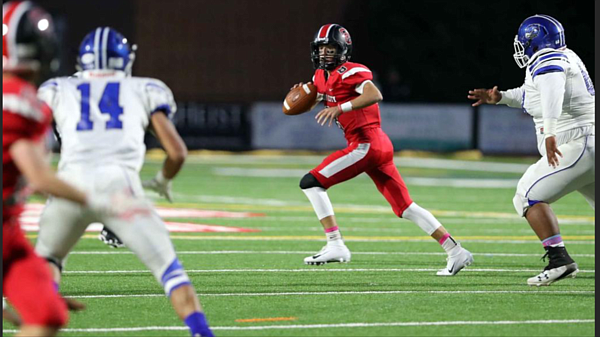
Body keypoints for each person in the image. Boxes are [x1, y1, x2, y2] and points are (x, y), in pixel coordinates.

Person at [33, 27, 214, 337]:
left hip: (68, 189)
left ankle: (40, 323)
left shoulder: (57, 88)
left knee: (49, 261)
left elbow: (29, 135)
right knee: (170, 272)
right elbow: (177, 152)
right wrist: (162, 179)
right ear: (124, 61)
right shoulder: (145, 88)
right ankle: (200, 332)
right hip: (120, 192)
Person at [292, 24, 473, 276]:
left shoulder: (350, 71)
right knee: (406, 208)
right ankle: (456, 251)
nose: (324, 53)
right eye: (321, 48)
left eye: (331, 48)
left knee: (310, 182)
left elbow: (374, 93)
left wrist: (340, 109)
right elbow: (322, 99)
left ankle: (335, 244)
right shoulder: (320, 77)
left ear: (343, 50)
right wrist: (301, 98)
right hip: (377, 147)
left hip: (365, 144)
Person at [2, 2, 119, 335]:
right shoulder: (18, 101)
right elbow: (39, 178)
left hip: (8, 233)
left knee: (48, 313)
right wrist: (103, 203)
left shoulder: (21, 95)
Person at [468, 15, 594, 286]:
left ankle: (559, 259)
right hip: (589, 142)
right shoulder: (563, 57)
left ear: (533, 40)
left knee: (527, 195)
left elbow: (553, 91)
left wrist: (549, 132)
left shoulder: (547, 60)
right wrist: (500, 98)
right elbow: (532, 95)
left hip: (578, 142)